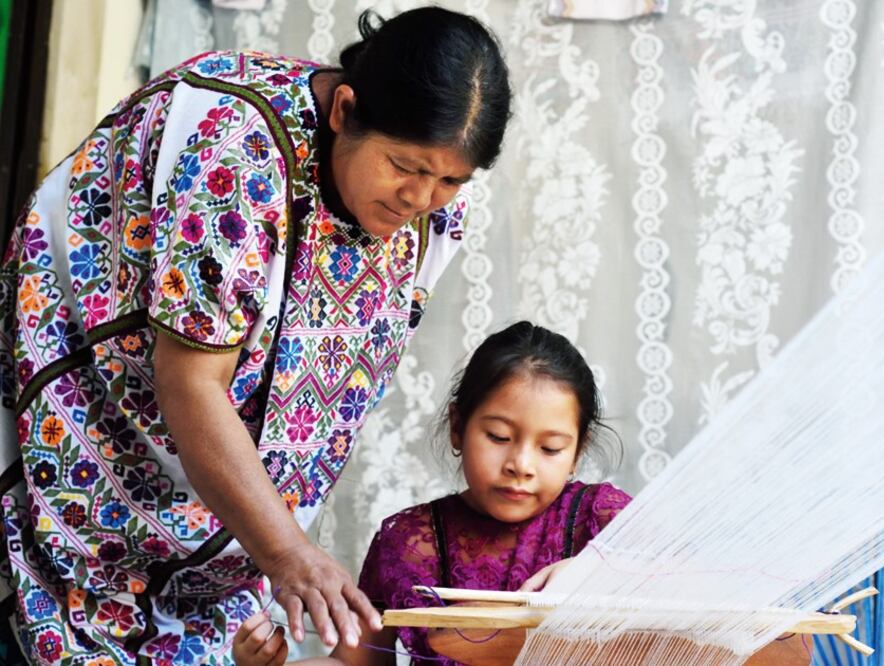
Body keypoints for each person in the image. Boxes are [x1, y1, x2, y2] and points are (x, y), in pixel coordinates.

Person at [0, 6, 511, 664]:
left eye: (449, 180)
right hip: (81, 479)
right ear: (343, 110)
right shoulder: (234, 149)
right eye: (404, 166)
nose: (421, 197)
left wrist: (266, 560)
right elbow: (192, 381)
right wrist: (285, 553)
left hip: (214, 541)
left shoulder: (431, 209)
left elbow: (315, 394)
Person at [232, 321, 631, 665]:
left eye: (550, 449)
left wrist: (595, 570)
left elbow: (690, 581)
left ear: (578, 451)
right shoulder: (409, 541)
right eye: (498, 436)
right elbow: (359, 662)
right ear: (458, 427)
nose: (521, 465)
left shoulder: (599, 519)